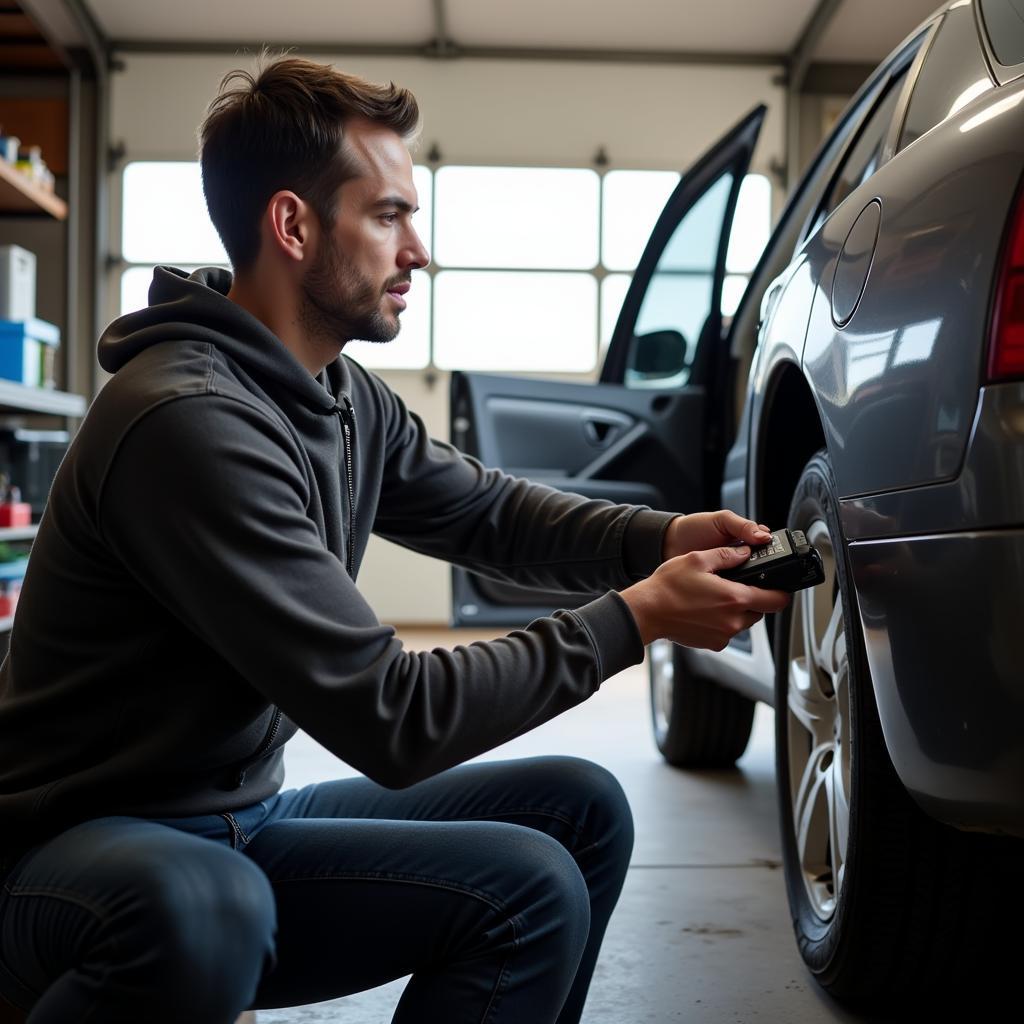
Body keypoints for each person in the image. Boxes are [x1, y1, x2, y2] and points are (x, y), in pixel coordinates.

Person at [0, 56, 788, 1024]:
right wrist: (635, 620)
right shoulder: (188, 421)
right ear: (291, 225)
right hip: (78, 852)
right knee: (206, 903)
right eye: (387, 216)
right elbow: (392, 715)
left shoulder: (336, 391)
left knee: (575, 813)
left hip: (236, 818)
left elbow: (487, 513)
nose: (418, 250)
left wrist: (661, 535)